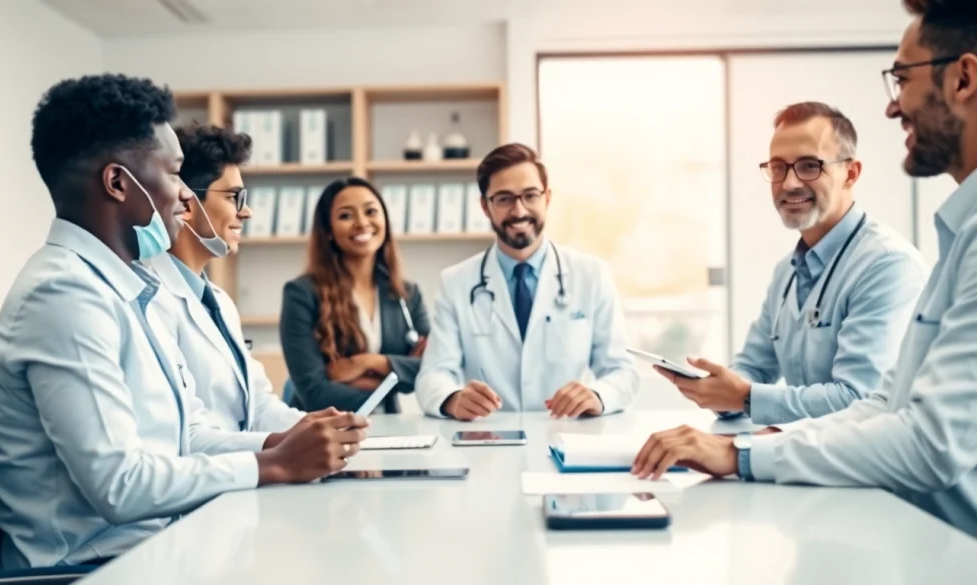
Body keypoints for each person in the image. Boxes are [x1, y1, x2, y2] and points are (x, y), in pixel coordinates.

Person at [0, 74, 367, 570]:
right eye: (174, 174)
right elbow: (120, 487)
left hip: (157, 546)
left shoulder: (123, 287)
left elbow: (187, 436)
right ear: (119, 183)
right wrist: (271, 464)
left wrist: (282, 444)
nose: (186, 197)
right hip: (89, 568)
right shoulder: (64, 295)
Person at [632, 0, 977, 537]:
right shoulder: (955, 235)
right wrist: (734, 430)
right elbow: (887, 402)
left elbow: (921, 436)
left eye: (901, 79)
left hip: (934, 536)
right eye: (777, 167)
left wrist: (741, 443)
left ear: (964, 78)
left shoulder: (891, 262)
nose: (892, 108)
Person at [653, 102, 927, 426]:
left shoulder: (888, 266)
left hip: (867, 471)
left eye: (810, 166)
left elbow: (859, 400)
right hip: (809, 458)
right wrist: (718, 390)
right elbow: (754, 367)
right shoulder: (787, 272)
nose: (789, 183)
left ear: (850, 174)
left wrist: (744, 397)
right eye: (778, 167)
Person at [415, 143, 638, 421]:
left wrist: (597, 395)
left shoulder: (591, 274)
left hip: (566, 437)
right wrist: (452, 399)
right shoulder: (456, 282)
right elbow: (432, 375)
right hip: (490, 440)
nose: (519, 211)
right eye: (504, 199)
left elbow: (623, 372)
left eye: (530, 195)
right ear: (485, 206)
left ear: (547, 198)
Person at [146, 122, 318, 432]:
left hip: (243, 468)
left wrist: (316, 427)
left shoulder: (220, 302)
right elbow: (187, 433)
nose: (247, 212)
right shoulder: (152, 301)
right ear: (186, 201)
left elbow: (259, 404)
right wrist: (281, 452)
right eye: (234, 197)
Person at [279, 176, 430, 413]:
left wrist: (368, 363)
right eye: (346, 216)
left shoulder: (407, 294)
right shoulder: (301, 294)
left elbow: (431, 370)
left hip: (390, 427)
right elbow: (313, 392)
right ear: (328, 230)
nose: (361, 223)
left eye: (371, 211)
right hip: (322, 430)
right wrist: (396, 377)